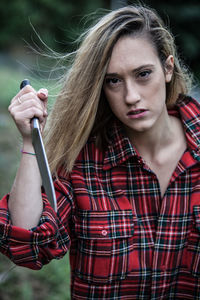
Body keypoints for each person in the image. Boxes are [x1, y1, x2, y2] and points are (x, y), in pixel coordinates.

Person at [0, 4, 199, 299]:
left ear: (167, 68)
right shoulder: (83, 163)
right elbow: (29, 250)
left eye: (143, 74)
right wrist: (31, 143)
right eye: (114, 81)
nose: (131, 97)